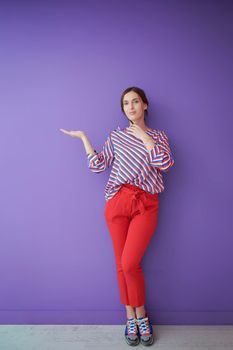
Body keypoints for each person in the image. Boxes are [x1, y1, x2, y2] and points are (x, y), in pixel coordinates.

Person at [60, 86, 175, 346]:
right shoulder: (117, 136)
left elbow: (165, 164)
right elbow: (98, 165)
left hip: (146, 203)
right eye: (126, 103)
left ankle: (142, 316)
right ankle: (131, 317)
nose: (131, 106)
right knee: (121, 265)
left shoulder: (159, 136)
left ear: (145, 105)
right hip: (117, 202)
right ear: (123, 109)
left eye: (136, 102)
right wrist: (83, 138)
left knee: (130, 263)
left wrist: (146, 139)